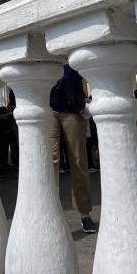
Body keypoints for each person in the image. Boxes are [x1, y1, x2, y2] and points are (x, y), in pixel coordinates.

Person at [50, 64, 97, 234]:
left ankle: (85, 213)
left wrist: (80, 104)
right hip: (50, 106)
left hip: (73, 108)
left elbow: (72, 76)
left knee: (78, 160)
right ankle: (51, 212)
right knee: (51, 161)